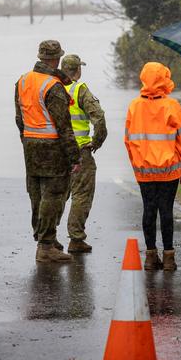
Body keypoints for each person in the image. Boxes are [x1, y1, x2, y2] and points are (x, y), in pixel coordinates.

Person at [15, 40, 81, 263]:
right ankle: (45, 246)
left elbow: (19, 118)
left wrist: (26, 139)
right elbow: (64, 126)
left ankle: (46, 238)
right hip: (52, 146)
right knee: (53, 196)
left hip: (30, 143)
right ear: (57, 59)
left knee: (36, 194)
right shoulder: (53, 86)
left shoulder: (22, 81)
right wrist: (74, 156)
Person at [124, 62, 181, 271]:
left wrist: (137, 164)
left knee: (149, 210)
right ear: (165, 78)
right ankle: (169, 257)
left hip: (144, 169)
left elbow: (128, 140)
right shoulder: (172, 106)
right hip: (169, 169)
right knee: (166, 211)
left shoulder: (134, 106)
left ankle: (150, 257)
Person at [59, 54, 107, 253]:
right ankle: (76, 238)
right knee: (81, 195)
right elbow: (99, 118)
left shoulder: (53, 88)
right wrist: (97, 141)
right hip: (79, 151)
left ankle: (48, 239)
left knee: (56, 195)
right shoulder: (80, 89)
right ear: (77, 70)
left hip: (56, 151)